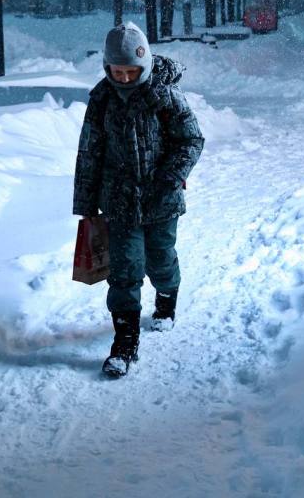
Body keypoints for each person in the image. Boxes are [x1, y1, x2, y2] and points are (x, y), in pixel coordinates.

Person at [73, 22, 204, 378]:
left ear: (144, 67)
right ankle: (125, 343)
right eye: (119, 72)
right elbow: (90, 152)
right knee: (125, 270)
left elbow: (191, 140)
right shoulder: (101, 100)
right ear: (107, 68)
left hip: (162, 199)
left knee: (160, 260)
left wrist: (171, 176)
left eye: (133, 72)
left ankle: (166, 300)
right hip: (118, 201)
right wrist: (85, 204)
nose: (126, 79)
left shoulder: (165, 96)